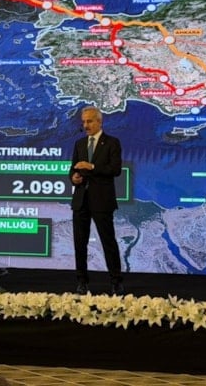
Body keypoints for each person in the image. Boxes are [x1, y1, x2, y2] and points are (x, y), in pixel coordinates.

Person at [69, 105, 124, 295]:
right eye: (84, 122)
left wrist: (91, 167)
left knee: (108, 242)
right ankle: (81, 282)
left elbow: (115, 169)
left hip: (102, 200)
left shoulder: (112, 143)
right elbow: (73, 170)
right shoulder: (79, 144)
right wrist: (74, 178)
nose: (86, 125)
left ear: (99, 122)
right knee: (80, 243)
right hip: (81, 200)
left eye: (90, 121)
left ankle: (116, 281)